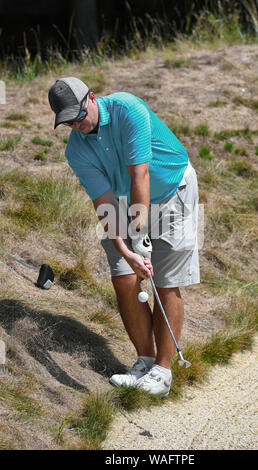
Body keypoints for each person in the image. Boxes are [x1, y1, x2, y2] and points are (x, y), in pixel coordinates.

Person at [48, 76, 200, 397]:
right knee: (124, 277)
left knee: (165, 280)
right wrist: (127, 250)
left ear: (92, 98)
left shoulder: (127, 108)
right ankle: (144, 362)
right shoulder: (76, 151)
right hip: (123, 199)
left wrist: (140, 235)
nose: (76, 124)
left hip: (172, 187)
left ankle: (163, 370)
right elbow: (104, 206)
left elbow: (139, 174)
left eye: (79, 115)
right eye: (68, 122)